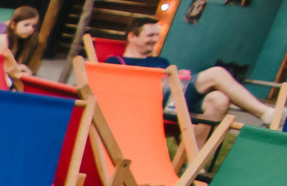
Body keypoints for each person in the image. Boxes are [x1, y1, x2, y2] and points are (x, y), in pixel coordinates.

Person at [118, 19, 277, 125]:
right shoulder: (117, 62)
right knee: (217, 73)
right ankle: (266, 114)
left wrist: (179, 77)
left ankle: (195, 159)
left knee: (219, 99)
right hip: (149, 104)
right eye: (150, 35)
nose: (155, 39)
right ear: (132, 37)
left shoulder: (161, 61)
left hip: (175, 100)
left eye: (157, 35)